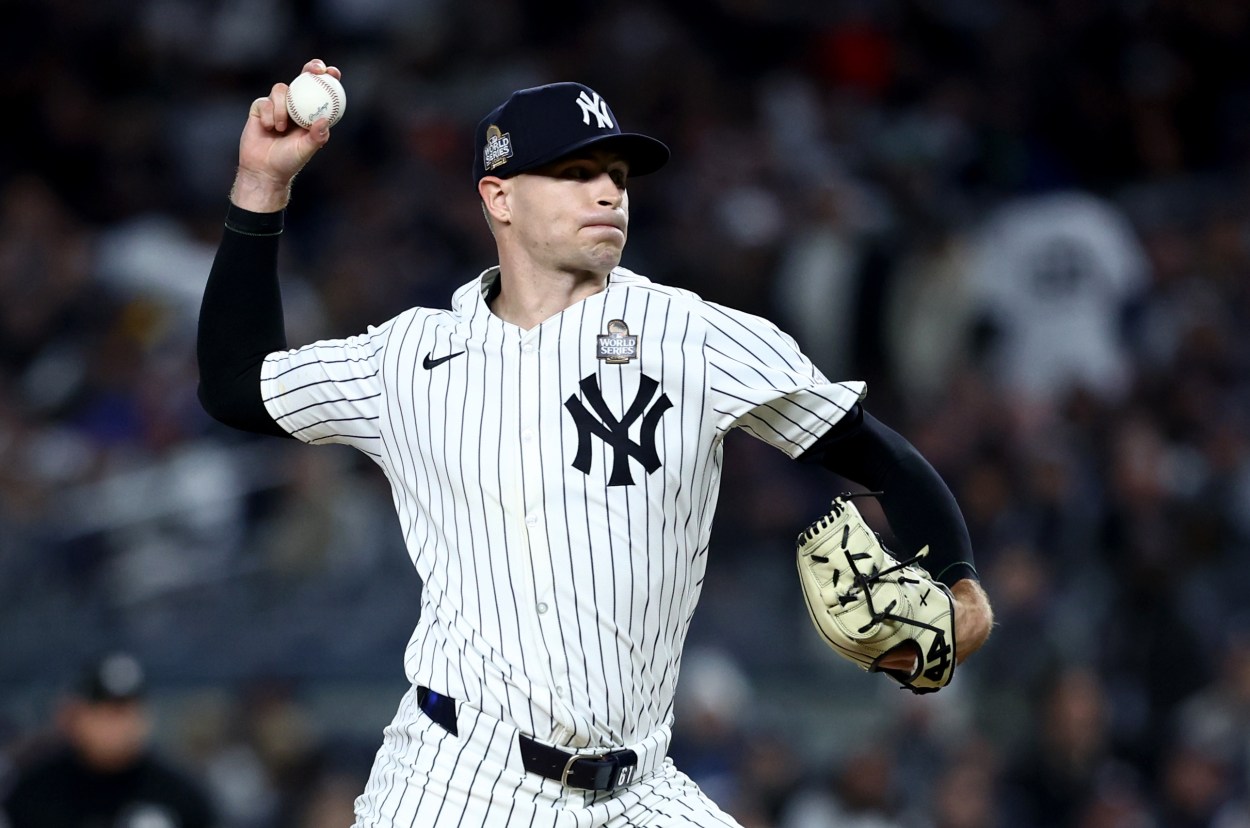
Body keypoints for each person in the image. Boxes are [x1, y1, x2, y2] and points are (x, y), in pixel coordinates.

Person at [196, 58, 994, 827]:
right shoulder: (408, 358)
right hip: (456, 782)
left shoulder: (695, 338)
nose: (609, 191)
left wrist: (959, 586)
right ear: (499, 197)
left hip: (638, 788)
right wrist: (262, 185)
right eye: (576, 174)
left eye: (616, 173)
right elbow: (236, 384)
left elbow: (879, 458)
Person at [0, 652, 217, 828]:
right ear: (78, 716)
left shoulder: (181, 795)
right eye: (105, 713)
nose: (117, 726)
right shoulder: (34, 792)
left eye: (126, 712)